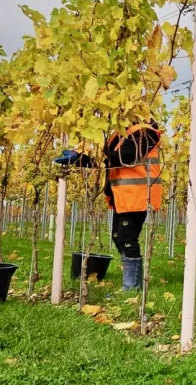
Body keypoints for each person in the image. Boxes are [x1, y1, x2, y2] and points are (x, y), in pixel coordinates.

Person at [57, 119, 162, 291]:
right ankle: (131, 281)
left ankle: (132, 287)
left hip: (138, 195)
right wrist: (79, 159)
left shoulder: (146, 132)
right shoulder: (121, 133)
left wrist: (94, 149)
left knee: (127, 238)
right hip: (124, 195)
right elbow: (106, 161)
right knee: (118, 237)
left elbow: (123, 157)